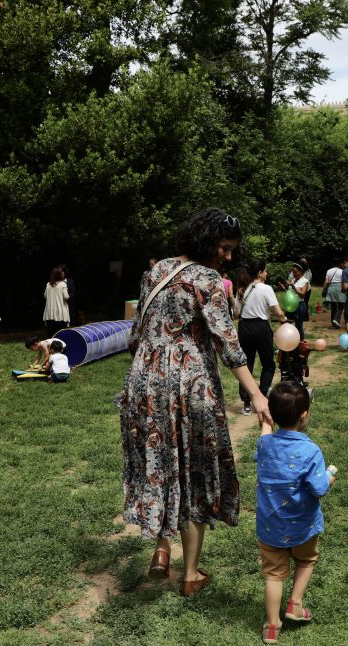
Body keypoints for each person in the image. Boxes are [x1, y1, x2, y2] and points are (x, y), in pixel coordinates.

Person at [119, 208, 273, 598]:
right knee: (195, 470)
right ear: (205, 241)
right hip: (189, 385)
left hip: (145, 382)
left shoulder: (155, 271)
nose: (228, 256)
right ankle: (190, 574)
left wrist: (149, 368)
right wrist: (256, 394)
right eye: (224, 248)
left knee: (159, 462)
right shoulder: (207, 280)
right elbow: (228, 343)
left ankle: (161, 548)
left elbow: (136, 333)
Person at [255, 381, 333, 645]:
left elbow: (265, 435)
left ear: (273, 414)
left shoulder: (265, 445)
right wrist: (330, 477)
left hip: (270, 527)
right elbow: (319, 489)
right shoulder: (311, 451)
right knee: (306, 560)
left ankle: (272, 626)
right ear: (304, 415)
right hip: (303, 526)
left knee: (273, 574)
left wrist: (267, 420)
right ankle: (295, 604)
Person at [237, 259, 289, 416]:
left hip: (244, 327)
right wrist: (284, 321)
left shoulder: (243, 289)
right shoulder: (266, 288)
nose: (267, 273)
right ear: (259, 273)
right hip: (261, 327)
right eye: (265, 270)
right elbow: (278, 312)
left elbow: (236, 312)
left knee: (246, 364)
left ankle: (247, 403)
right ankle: (264, 391)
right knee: (268, 363)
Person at [281, 262, 311, 339]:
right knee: (286, 322)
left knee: (298, 325)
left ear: (301, 272)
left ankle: (301, 341)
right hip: (291, 306)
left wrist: (294, 288)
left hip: (299, 305)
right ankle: (290, 339)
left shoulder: (305, 281)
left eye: (296, 272)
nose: (294, 274)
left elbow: (303, 294)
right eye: (293, 272)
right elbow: (291, 293)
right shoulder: (293, 280)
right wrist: (285, 289)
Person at [43, 267, 71, 338]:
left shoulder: (48, 284)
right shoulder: (63, 284)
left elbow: (45, 296)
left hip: (49, 314)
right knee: (61, 335)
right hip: (60, 314)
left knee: (50, 335)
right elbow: (66, 297)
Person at [322, 260, 346, 328]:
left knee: (333, 307)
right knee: (341, 306)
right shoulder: (342, 271)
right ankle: (336, 320)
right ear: (339, 264)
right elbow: (344, 281)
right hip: (339, 288)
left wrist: (323, 290)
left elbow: (326, 282)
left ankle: (333, 324)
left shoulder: (329, 271)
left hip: (331, 288)